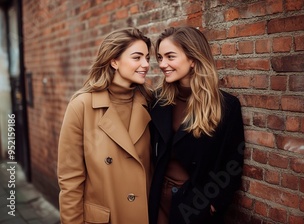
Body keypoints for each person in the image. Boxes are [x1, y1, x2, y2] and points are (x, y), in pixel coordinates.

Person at [148, 26, 245, 224]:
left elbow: (232, 162)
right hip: (157, 196)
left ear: (192, 59)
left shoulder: (226, 106)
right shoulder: (158, 100)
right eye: (160, 57)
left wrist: (213, 204)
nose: (162, 64)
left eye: (170, 56)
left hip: (194, 203)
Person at [57, 27, 153, 223]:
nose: (146, 64)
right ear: (114, 61)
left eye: (147, 58)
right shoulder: (82, 106)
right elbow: (70, 180)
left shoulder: (151, 103)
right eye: (137, 57)